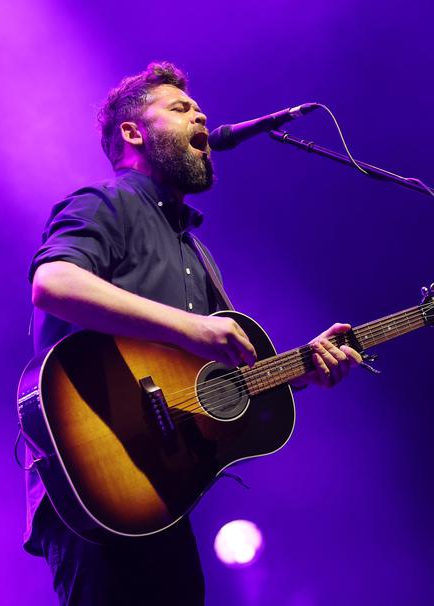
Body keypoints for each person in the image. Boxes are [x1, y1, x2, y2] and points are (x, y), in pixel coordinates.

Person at [23, 61, 363, 605]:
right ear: (134, 133)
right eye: (181, 109)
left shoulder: (192, 250)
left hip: (159, 492)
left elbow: (224, 377)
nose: (200, 115)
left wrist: (303, 368)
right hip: (95, 468)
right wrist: (192, 328)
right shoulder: (105, 203)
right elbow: (54, 282)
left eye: (199, 109)